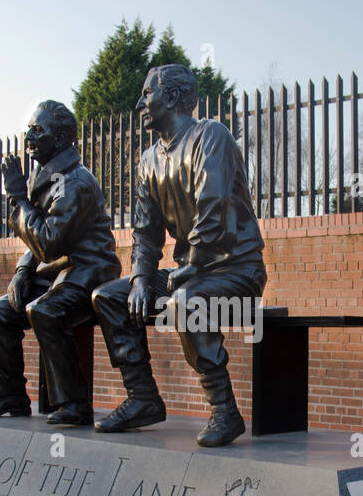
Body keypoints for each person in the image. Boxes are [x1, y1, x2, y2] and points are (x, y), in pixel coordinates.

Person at [91, 65, 266, 447]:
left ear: (171, 98)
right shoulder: (148, 160)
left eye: (147, 94)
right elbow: (145, 233)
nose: (140, 103)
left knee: (185, 301)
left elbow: (213, 207)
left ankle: (224, 409)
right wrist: (139, 280)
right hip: (190, 271)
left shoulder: (211, 136)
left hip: (236, 270)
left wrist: (189, 267)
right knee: (108, 296)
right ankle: (143, 398)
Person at [0, 100, 120, 425]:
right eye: (30, 127)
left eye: (39, 129)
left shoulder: (75, 183)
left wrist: (18, 199)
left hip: (87, 271)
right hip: (55, 271)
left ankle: (75, 404)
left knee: (45, 311)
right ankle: (10, 395)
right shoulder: (49, 174)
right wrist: (23, 270)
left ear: (63, 137)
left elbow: (48, 240)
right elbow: (37, 237)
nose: (29, 135)